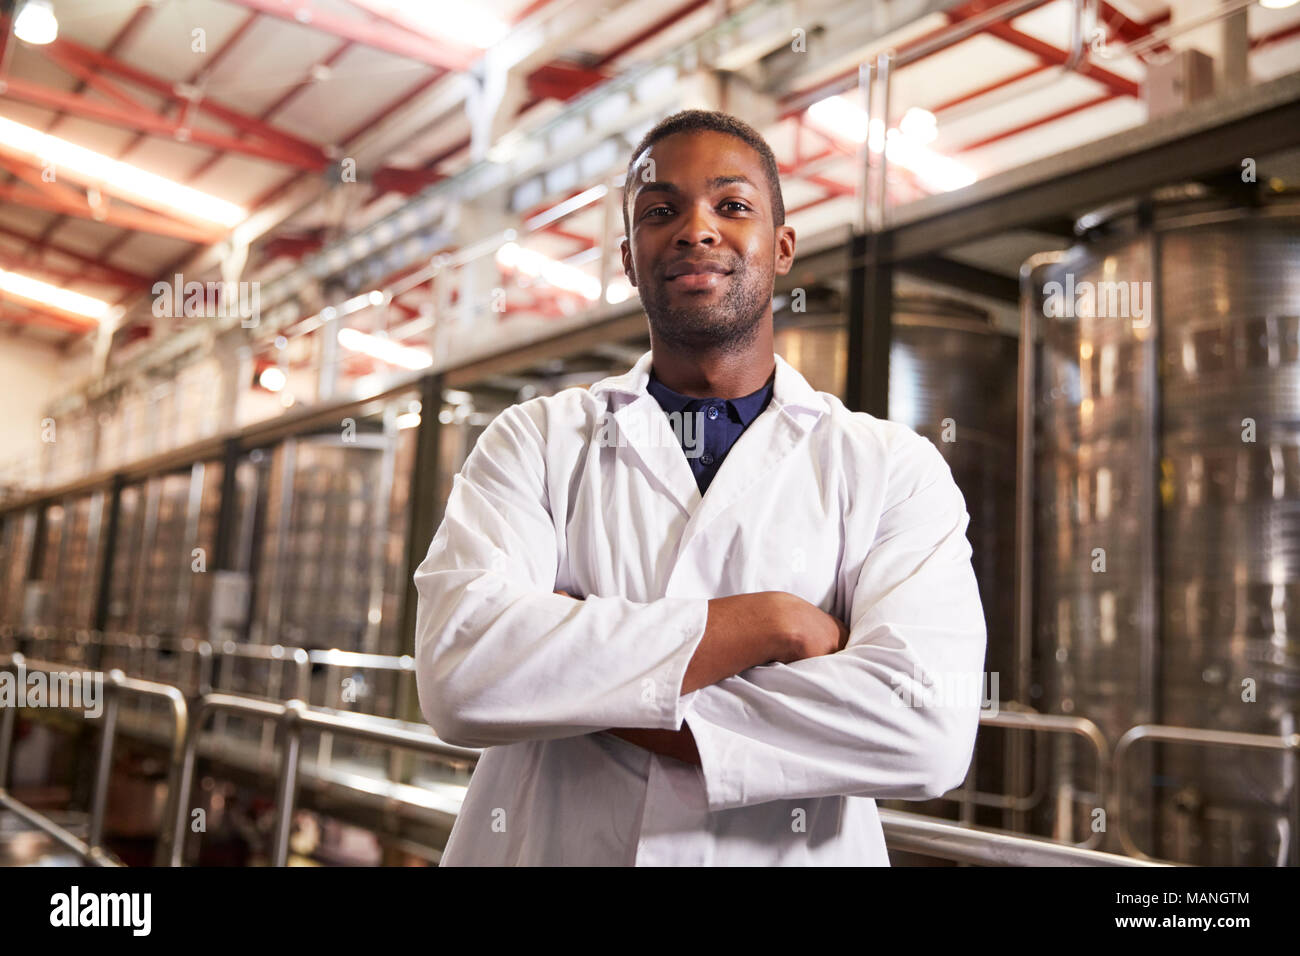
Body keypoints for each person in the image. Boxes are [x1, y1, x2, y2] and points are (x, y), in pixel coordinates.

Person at [413, 109, 987, 866]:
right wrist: (767, 625)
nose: (696, 229)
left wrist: (576, 677)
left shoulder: (891, 468)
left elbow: (927, 731)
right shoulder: (535, 441)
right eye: (660, 211)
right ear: (628, 258)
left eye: (732, 204)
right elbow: (463, 675)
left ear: (781, 247)